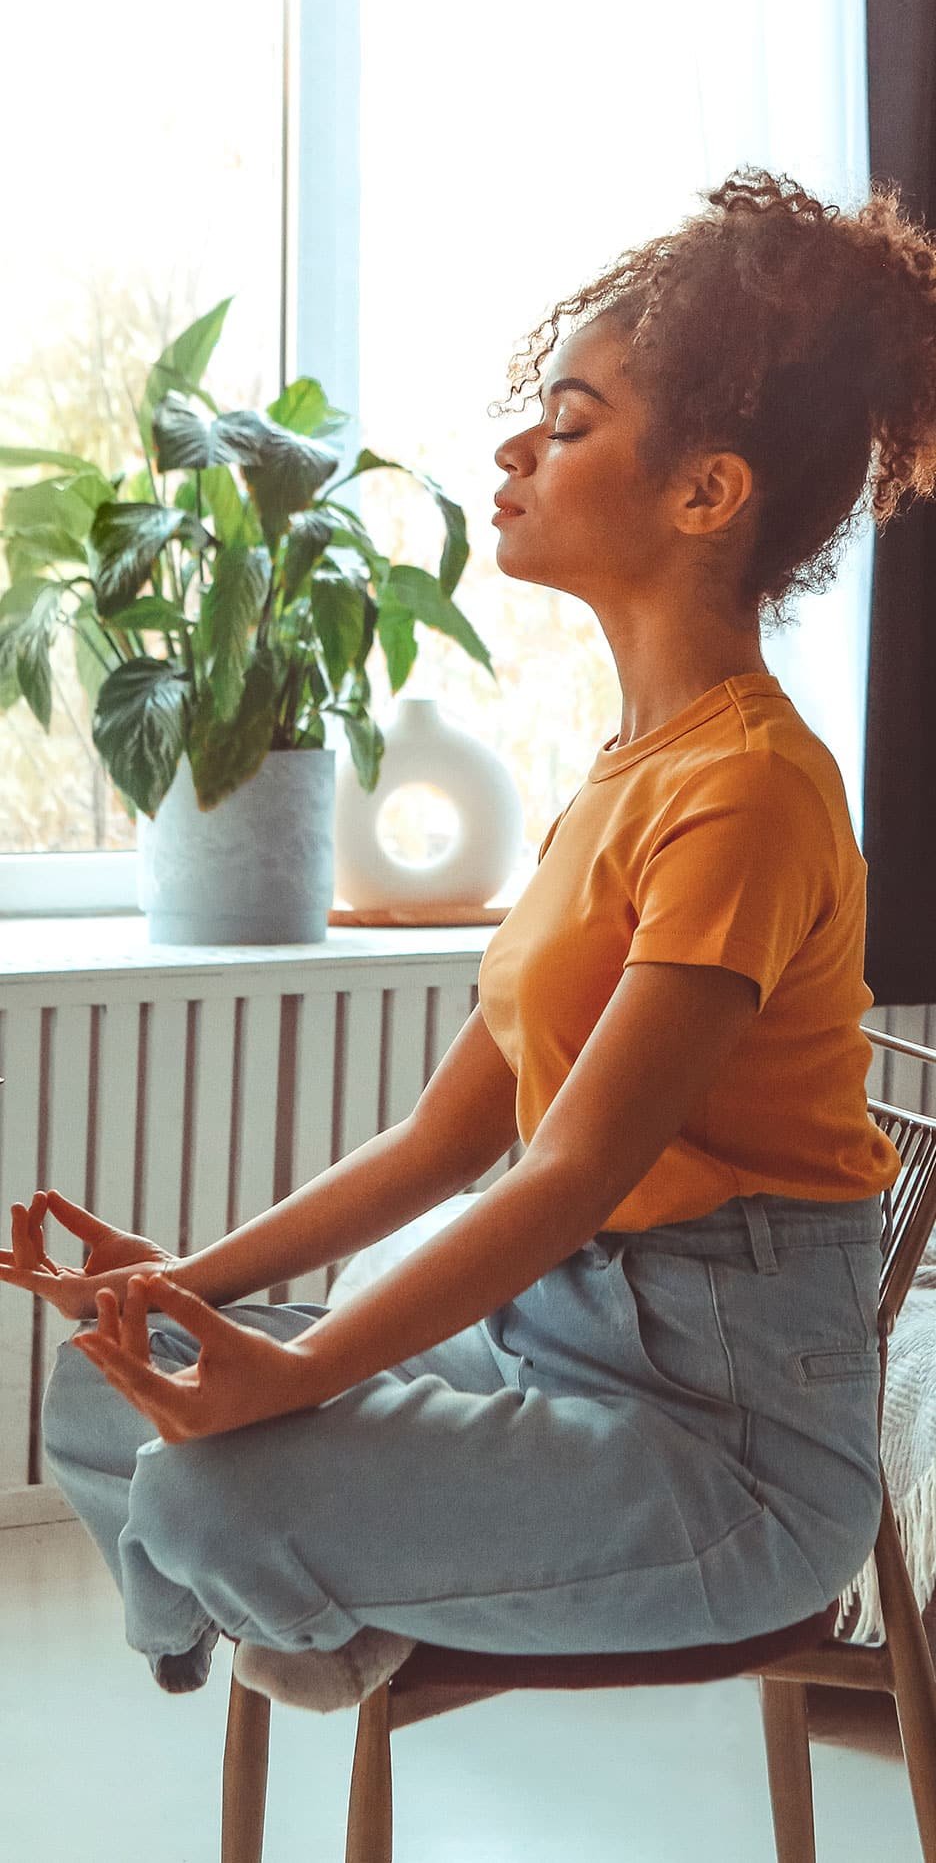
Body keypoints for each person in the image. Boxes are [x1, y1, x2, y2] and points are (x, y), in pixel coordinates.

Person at [3, 165, 934, 1711]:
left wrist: (301, 1376)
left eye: (568, 425)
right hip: (550, 1357)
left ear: (707, 493)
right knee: (109, 1396)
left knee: (203, 1492)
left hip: (729, 1448)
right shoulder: (629, 774)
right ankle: (293, 1604)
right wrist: (191, 1282)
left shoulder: (752, 790)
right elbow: (447, 1142)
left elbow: (572, 1172)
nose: (515, 447)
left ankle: (289, 1595)